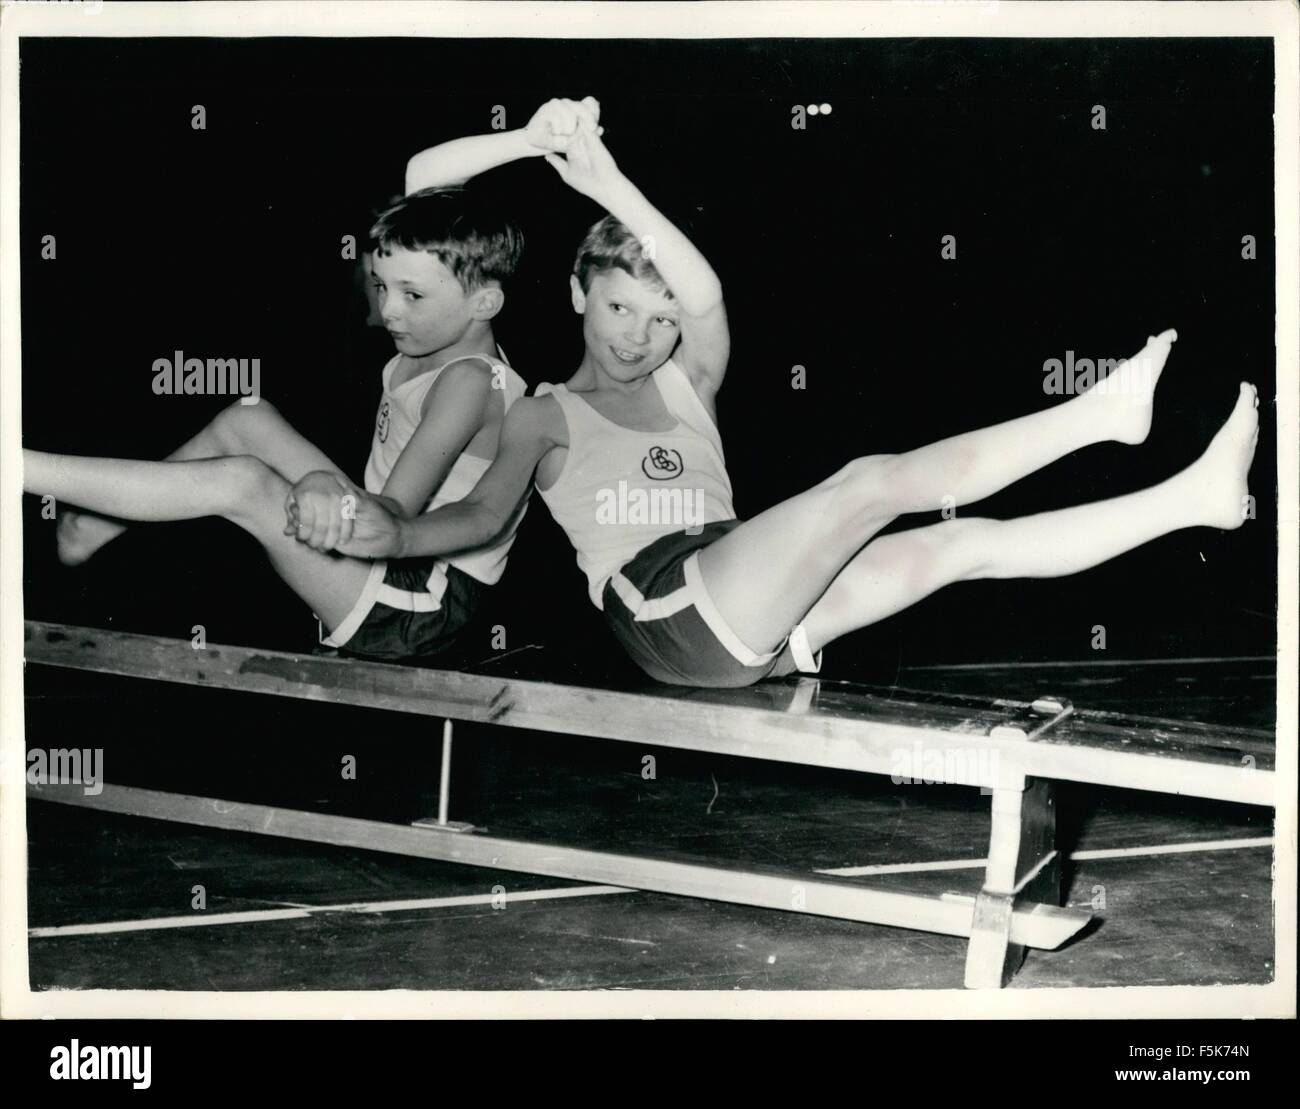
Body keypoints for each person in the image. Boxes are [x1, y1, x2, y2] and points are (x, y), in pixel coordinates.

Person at [293, 107, 1262, 688]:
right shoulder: (543, 411)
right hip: (664, 603)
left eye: (659, 318)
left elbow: (706, 292)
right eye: (621, 307)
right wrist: (391, 533)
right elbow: (477, 511)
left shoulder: (689, 381)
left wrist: (612, 183)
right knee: (868, 482)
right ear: (578, 294)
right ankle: (1098, 417)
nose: (640, 333)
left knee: (965, 545)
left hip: (748, 596)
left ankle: (1189, 499)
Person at [24, 183, 530, 661]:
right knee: (250, 417)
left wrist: (321, 487)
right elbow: (426, 181)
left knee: (244, 481)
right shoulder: (436, 339)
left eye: (411, 295)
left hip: (423, 605)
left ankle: (18, 466)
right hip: (386, 559)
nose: (387, 308)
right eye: (381, 285)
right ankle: (95, 524)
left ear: (484, 302)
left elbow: (395, 511)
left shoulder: (471, 382)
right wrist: (530, 137)